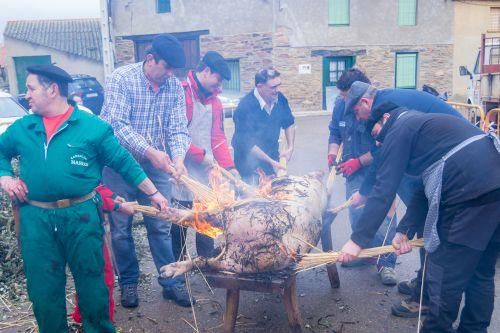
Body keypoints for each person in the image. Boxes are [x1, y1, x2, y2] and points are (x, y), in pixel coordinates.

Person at [0, 64, 168, 333]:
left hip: (81, 217)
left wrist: (154, 193)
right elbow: (1, 153)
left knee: (93, 292)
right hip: (36, 220)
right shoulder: (23, 128)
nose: (26, 95)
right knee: (44, 295)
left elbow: (125, 163)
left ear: (52, 90)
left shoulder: (92, 128)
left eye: (31, 88)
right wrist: (6, 177)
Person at [337, 101, 500, 333]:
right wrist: (404, 229)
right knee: (481, 272)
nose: (378, 143)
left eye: (376, 135)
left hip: (468, 195)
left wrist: (357, 241)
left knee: (444, 276)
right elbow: (422, 190)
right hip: (495, 189)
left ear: (385, 118)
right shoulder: (420, 124)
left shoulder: (398, 128)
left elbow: (384, 189)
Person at [342, 81, 464, 317]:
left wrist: (357, 241)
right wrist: (364, 192)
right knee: (423, 224)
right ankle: (423, 284)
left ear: (365, 102)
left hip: (457, 167)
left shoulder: (392, 109)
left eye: (356, 112)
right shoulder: (387, 106)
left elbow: (385, 177)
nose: (358, 119)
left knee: (432, 230)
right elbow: (384, 156)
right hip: (442, 164)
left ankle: (426, 298)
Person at [100, 34, 192, 308]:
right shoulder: (121, 79)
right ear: (150, 59)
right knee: (120, 228)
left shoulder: (173, 86)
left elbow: (177, 128)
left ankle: (170, 282)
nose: (170, 74)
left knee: (161, 223)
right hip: (118, 164)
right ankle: (128, 283)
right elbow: (118, 126)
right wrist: (151, 151)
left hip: (156, 166)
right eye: (166, 67)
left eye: (174, 70)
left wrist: (177, 158)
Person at [326, 68, 398, 285]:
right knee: (356, 213)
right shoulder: (341, 106)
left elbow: (384, 148)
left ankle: (386, 262)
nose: (342, 100)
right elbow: (335, 132)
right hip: (351, 169)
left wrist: (359, 161)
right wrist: (332, 151)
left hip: (376, 167)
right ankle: (364, 253)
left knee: (383, 215)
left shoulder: (379, 108)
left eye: (346, 95)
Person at [171, 51, 238, 260]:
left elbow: (218, 138)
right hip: (180, 170)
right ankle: (179, 266)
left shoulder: (216, 103)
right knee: (179, 221)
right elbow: (174, 134)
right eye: (217, 80)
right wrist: (201, 156)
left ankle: (207, 263)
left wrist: (229, 167)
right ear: (206, 71)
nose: (219, 87)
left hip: (205, 172)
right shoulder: (181, 94)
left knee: (207, 219)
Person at [70, 185, 136, 324]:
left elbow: (93, 183)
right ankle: (98, 320)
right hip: (81, 225)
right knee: (98, 277)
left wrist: (111, 195)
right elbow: (84, 194)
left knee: (100, 275)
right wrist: (117, 205)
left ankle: (93, 317)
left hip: (90, 224)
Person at [231, 68, 295, 184]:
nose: (277, 90)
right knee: (254, 198)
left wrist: (290, 147)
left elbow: (289, 123)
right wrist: (272, 162)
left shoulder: (280, 99)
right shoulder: (244, 107)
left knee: (274, 197)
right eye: (273, 87)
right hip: (248, 166)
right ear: (260, 86)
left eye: (278, 86)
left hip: (272, 160)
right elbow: (248, 145)